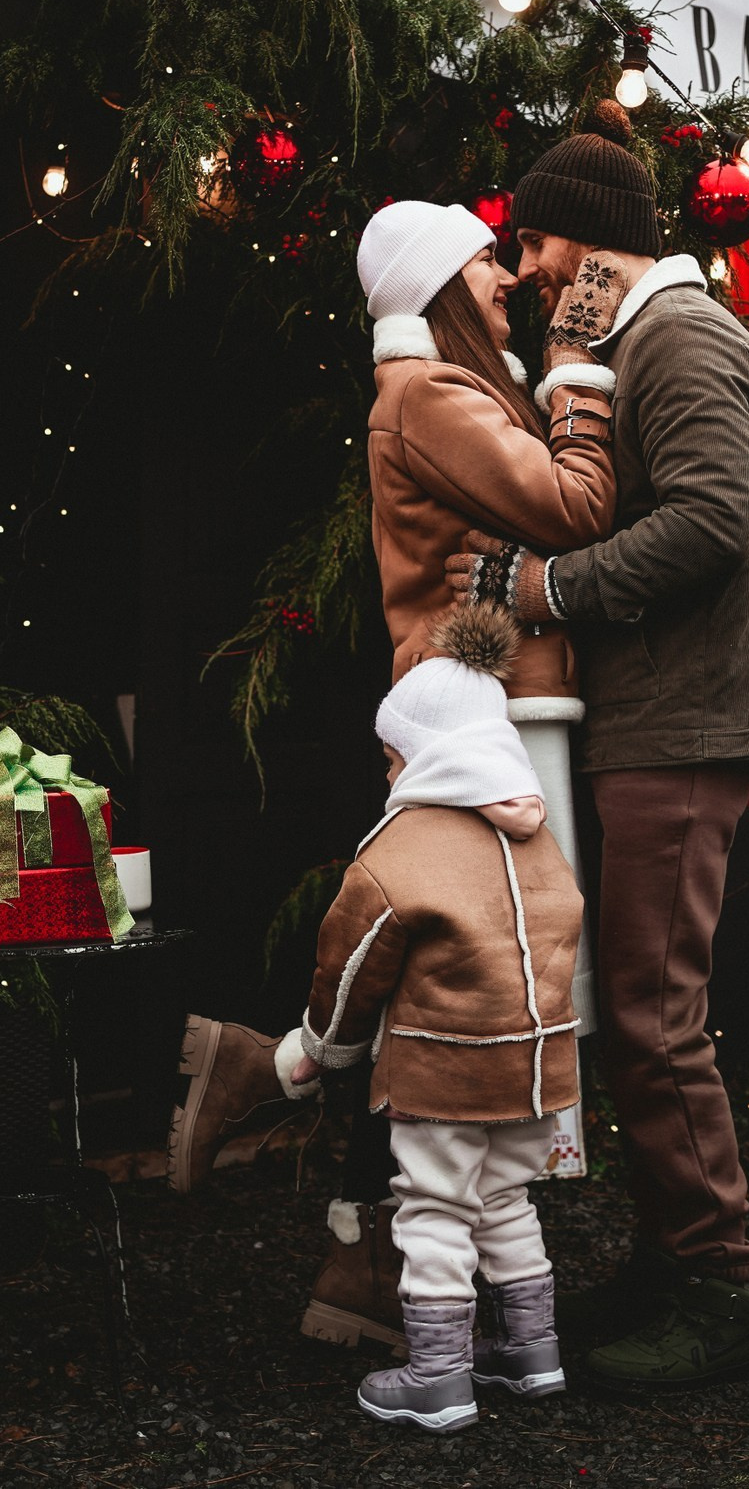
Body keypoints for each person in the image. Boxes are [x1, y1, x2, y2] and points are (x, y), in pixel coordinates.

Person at [166, 198, 619, 1352]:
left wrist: (523, 552)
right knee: (464, 991)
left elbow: (543, 528)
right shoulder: (429, 397)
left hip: (498, 709)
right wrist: (577, 381)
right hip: (484, 721)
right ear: (434, 282)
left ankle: (339, 1213)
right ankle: (354, 1221)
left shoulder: (458, 396)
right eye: (485, 261)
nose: (509, 278)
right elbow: (575, 504)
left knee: (455, 985)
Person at [448, 97, 749, 1393]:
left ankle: (717, 1288)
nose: (529, 269)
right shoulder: (634, 341)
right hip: (661, 713)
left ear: (596, 245)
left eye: (539, 244)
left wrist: (546, 589)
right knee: (647, 1007)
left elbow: (712, 523)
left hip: (687, 716)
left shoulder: (685, 342)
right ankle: (671, 1262)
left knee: (654, 1013)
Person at [277, 599, 584, 1432]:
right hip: (534, 1068)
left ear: (428, 751)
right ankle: (533, 1351)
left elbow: (349, 966)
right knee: (507, 1196)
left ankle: (439, 1375)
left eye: (394, 754)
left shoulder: (401, 848)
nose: (388, 772)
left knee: (435, 1208)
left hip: (443, 1065)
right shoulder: (537, 837)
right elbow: (564, 929)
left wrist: (326, 1047)